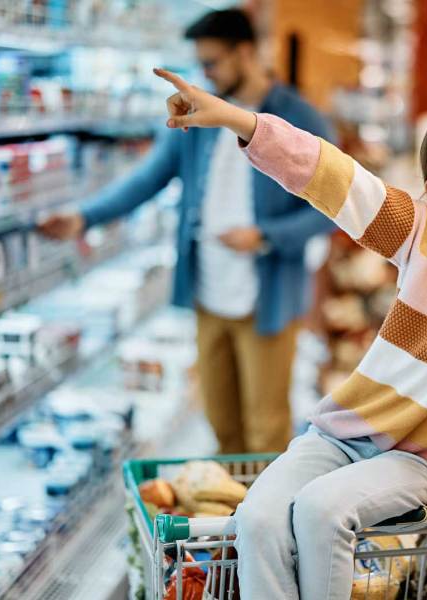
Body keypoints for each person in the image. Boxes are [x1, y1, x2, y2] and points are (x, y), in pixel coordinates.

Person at [153, 67, 427, 599]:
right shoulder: (424, 233)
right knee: (256, 520)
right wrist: (239, 121)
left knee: (321, 509)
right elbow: (336, 178)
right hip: (343, 433)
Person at [37, 9, 335, 455]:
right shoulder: (201, 116)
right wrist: (84, 218)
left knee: (266, 427)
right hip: (208, 293)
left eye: (213, 63)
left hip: (267, 300)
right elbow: (148, 178)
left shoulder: (298, 116)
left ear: (246, 52)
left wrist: (266, 236)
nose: (206, 74)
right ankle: (236, 516)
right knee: (219, 422)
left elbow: (329, 208)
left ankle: (264, 521)